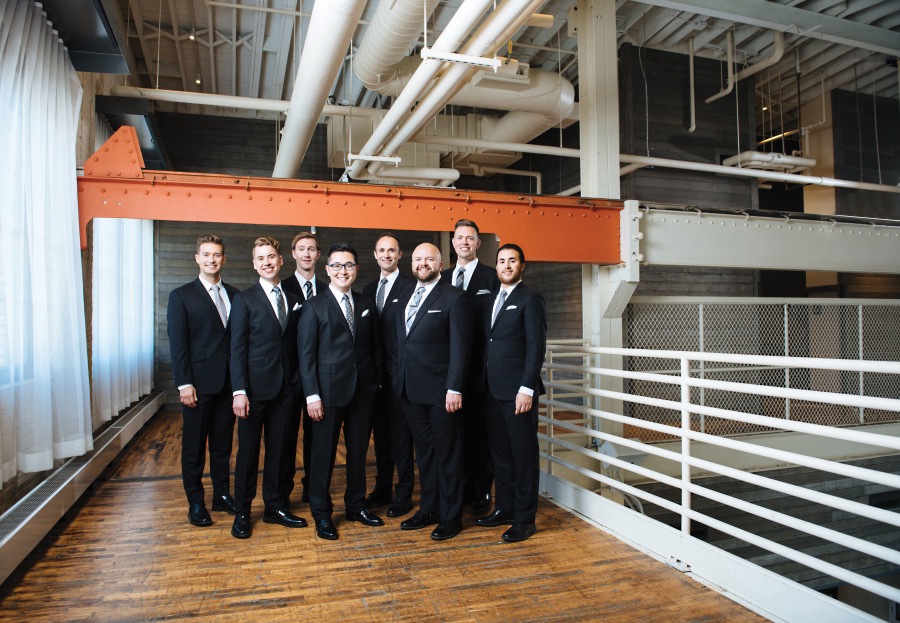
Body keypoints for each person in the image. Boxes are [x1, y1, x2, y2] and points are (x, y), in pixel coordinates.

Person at [298, 243, 385, 540]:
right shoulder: (313, 307)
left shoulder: (365, 304)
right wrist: (312, 395)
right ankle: (322, 513)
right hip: (327, 393)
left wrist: (376, 384)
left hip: (362, 391)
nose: (342, 271)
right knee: (322, 455)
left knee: (358, 453)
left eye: (348, 265)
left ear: (357, 270)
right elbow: (306, 356)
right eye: (336, 266)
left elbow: (374, 348)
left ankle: (355, 505)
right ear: (327, 270)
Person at [229, 237, 306, 539]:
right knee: (248, 453)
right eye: (260, 258)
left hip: (287, 389)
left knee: (281, 451)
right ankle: (243, 511)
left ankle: (275, 506)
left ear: (281, 260)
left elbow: (298, 343)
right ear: (254, 264)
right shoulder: (244, 300)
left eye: (271, 256)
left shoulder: (292, 297)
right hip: (253, 391)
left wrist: (298, 382)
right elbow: (237, 349)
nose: (267, 262)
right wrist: (239, 391)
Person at [394, 243, 472, 541]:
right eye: (417, 259)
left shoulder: (455, 298)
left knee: (448, 454)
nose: (422, 263)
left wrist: (455, 387)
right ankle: (429, 508)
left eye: (429, 259)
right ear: (411, 263)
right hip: (410, 389)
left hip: (443, 392)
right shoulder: (405, 295)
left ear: (441, 264)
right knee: (425, 454)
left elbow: (461, 349)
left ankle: (451, 516)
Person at [167, 234, 240, 527]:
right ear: (197, 258)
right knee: (194, 448)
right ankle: (196, 502)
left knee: (222, 446)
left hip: (228, 386)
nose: (212, 259)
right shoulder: (181, 296)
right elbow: (178, 344)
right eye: (206, 254)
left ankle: (221, 495)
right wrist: (184, 383)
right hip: (197, 385)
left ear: (224, 259)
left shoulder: (235, 295)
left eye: (217, 254)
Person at [476, 243, 547, 543]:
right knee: (501, 456)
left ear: (522, 266)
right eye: (502, 261)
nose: (506, 265)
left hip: (518, 393)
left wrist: (526, 388)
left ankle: (524, 519)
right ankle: (504, 508)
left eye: (512, 261)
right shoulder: (492, 299)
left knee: (523, 456)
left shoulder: (531, 299)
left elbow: (536, 347)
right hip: (491, 390)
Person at [441, 219, 499, 517]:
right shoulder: (443, 278)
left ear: (478, 243)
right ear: (453, 242)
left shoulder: (492, 278)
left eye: (470, 238)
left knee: (481, 432)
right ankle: (458, 488)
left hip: (480, 372)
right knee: (455, 433)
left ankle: (481, 489)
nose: (464, 242)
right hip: (448, 371)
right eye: (459, 237)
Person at [361, 233, 415, 517]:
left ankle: (403, 493)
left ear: (399, 255)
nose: (386, 255)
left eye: (391, 250)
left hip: (400, 376)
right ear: (375, 255)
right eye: (381, 250)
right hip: (375, 378)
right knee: (381, 437)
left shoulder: (410, 286)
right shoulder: (368, 290)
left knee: (401, 437)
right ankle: (382, 488)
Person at [280, 231, 327, 505]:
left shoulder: (329, 287)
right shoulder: (281, 287)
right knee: (285, 438)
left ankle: (312, 486)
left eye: (312, 249)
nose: (307, 253)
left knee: (316, 437)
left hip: (319, 377)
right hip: (288, 377)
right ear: (293, 254)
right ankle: (284, 492)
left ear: (318, 255)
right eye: (302, 249)